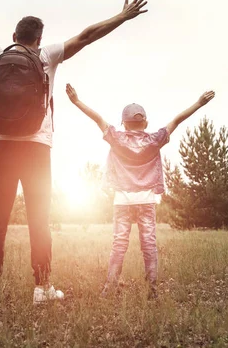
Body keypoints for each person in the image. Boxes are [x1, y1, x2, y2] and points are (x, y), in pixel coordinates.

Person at [0, 0, 148, 304]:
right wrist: (122, 16)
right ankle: (42, 288)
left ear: (14, 37)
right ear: (39, 39)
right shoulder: (47, 55)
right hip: (37, 148)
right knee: (39, 218)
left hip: (1, 146)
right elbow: (87, 36)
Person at [65, 83, 215, 299]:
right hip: (146, 201)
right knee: (149, 244)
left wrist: (77, 101)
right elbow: (176, 120)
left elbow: (97, 118)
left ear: (124, 124)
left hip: (122, 201)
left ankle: (109, 287)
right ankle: (152, 290)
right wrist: (199, 103)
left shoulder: (117, 138)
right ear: (145, 122)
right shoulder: (154, 140)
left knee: (119, 244)